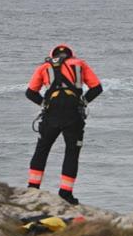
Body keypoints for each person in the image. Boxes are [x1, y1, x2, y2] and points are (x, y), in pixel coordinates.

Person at [25, 44, 103, 205]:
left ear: (52, 55)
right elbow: (97, 88)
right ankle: (65, 193)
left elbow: (30, 93)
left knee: (42, 149)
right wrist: (83, 102)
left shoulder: (44, 67)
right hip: (73, 115)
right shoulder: (80, 64)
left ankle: (33, 188)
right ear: (71, 55)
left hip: (51, 114)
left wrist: (44, 104)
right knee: (72, 153)